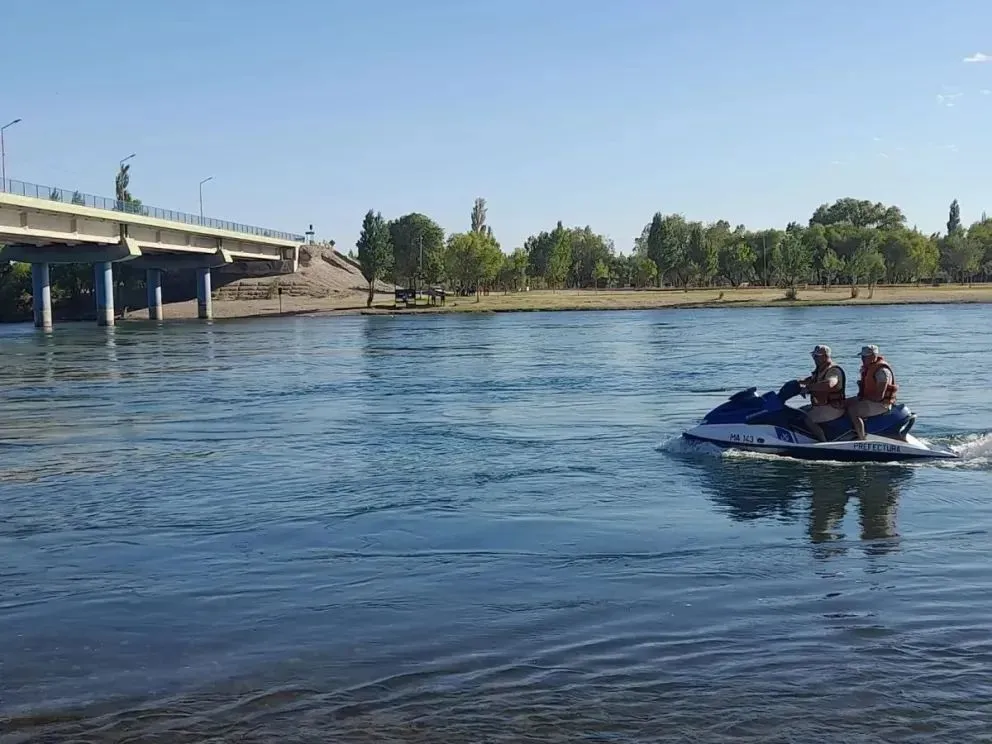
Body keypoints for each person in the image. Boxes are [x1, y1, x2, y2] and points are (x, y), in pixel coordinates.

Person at [846, 344, 899, 440]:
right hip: (869, 400)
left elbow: (879, 396)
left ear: (874, 356)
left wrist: (862, 399)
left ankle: (861, 438)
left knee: (853, 411)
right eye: (862, 356)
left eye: (865, 356)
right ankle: (847, 432)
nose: (863, 359)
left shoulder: (882, 372)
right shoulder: (868, 368)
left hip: (881, 404)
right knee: (844, 403)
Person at [797, 344, 847, 441]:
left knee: (807, 419)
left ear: (826, 357)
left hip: (832, 407)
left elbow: (830, 383)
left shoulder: (833, 371)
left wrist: (808, 388)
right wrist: (796, 383)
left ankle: (822, 440)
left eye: (817, 356)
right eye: (813, 356)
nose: (814, 359)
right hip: (820, 406)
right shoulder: (820, 370)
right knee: (798, 412)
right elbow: (809, 380)